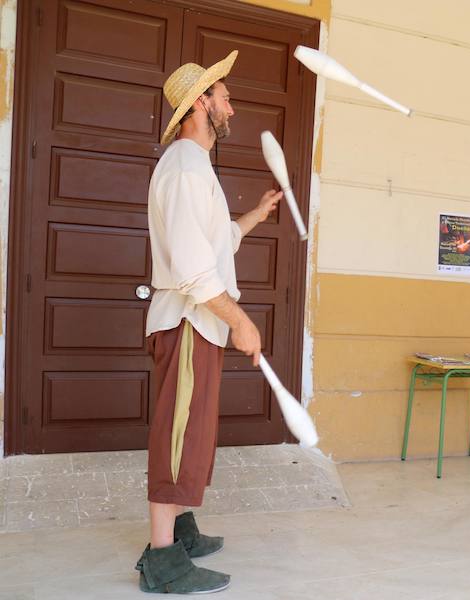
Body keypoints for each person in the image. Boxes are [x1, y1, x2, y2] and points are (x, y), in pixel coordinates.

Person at [134, 50, 283, 593]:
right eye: (224, 96)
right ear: (201, 102)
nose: (231, 107)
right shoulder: (183, 169)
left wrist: (253, 216)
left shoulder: (195, 168)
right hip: (190, 325)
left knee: (192, 436)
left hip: (201, 327)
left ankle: (182, 530)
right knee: (178, 439)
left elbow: (215, 244)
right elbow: (195, 272)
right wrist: (241, 321)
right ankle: (162, 559)